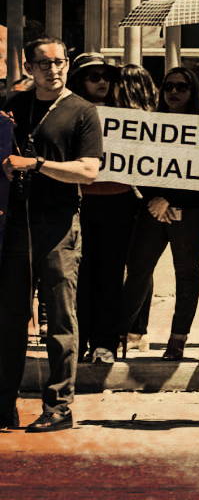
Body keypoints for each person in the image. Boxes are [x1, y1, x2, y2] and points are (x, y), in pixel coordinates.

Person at [0, 37, 102, 432]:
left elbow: (89, 171)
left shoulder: (82, 111)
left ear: (68, 64)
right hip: (16, 225)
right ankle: (4, 405)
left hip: (59, 225)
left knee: (60, 319)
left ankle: (59, 406)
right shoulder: (15, 105)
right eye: (44, 63)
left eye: (59, 62)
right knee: (9, 319)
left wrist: (37, 164)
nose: (53, 69)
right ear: (30, 66)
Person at [116, 67, 199, 361]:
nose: (173, 92)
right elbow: (138, 165)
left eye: (181, 87)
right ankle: (120, 334)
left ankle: (178, 339)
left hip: (192, 210)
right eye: (168, 85)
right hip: (152, 207)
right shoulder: (151, 123)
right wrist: (155, 198)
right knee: (138, 269)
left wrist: (168, 198)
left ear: (192, 91)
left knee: (186, 273)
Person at [68, 53, 141, 364]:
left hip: (118, 202)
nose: (101, 81)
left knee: (110, 277)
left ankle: (104, 344)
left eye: (106, 77)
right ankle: (79, 342)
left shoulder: (129, 116)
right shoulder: (67, 113)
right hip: (77, 202)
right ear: (79, 81)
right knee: (79, 277)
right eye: (93, 76)